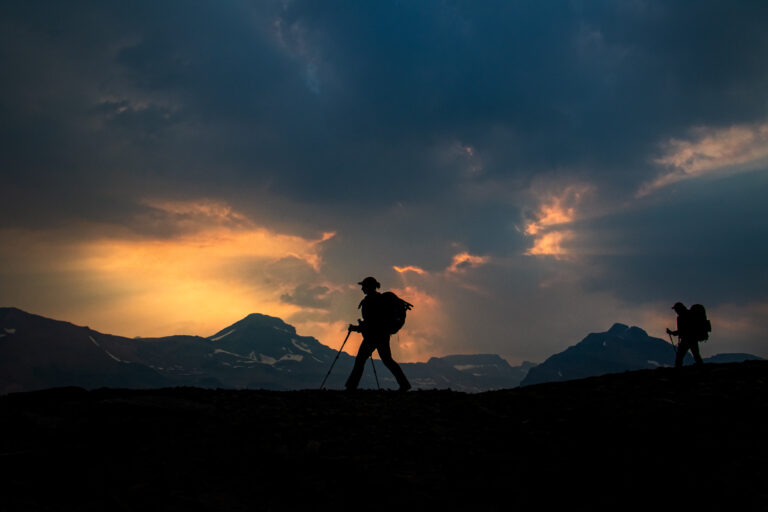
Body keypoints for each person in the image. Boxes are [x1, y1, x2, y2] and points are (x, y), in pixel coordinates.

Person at [345, 277, 412, 391]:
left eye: (364, 286)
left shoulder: (370, 301)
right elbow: (374, 322)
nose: (362, 289)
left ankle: (351, 387)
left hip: (372, 337)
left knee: (361, 360)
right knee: (387, 360)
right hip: (382, 336)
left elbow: (372, 323)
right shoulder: (380, 300)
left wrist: (357, 328)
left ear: (369, 287)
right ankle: (404, 384)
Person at [666, 302, 703, 368]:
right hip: (693, 339)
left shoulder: (682, 317)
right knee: (696, 355)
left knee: (679, 356)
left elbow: (682, 330)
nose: (675, 311)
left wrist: (672, 333)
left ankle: (678, 370)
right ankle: (701, 368)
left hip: (686, 339)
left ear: (679, 309)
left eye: (676, 309)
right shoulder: (689, 314)